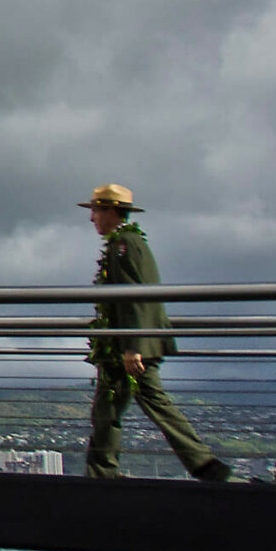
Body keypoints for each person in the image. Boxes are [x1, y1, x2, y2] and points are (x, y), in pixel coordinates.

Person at [82, 184, 230, 482]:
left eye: (96, 210)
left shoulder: (123, 244)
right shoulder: (129, 241)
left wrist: (132, 346)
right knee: (118, 407)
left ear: (111, 211)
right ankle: (204, 465)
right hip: (130, 343)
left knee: (121, 408)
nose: (92, 218)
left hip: (130, 346)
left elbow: (134, 295)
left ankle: (103, 475)